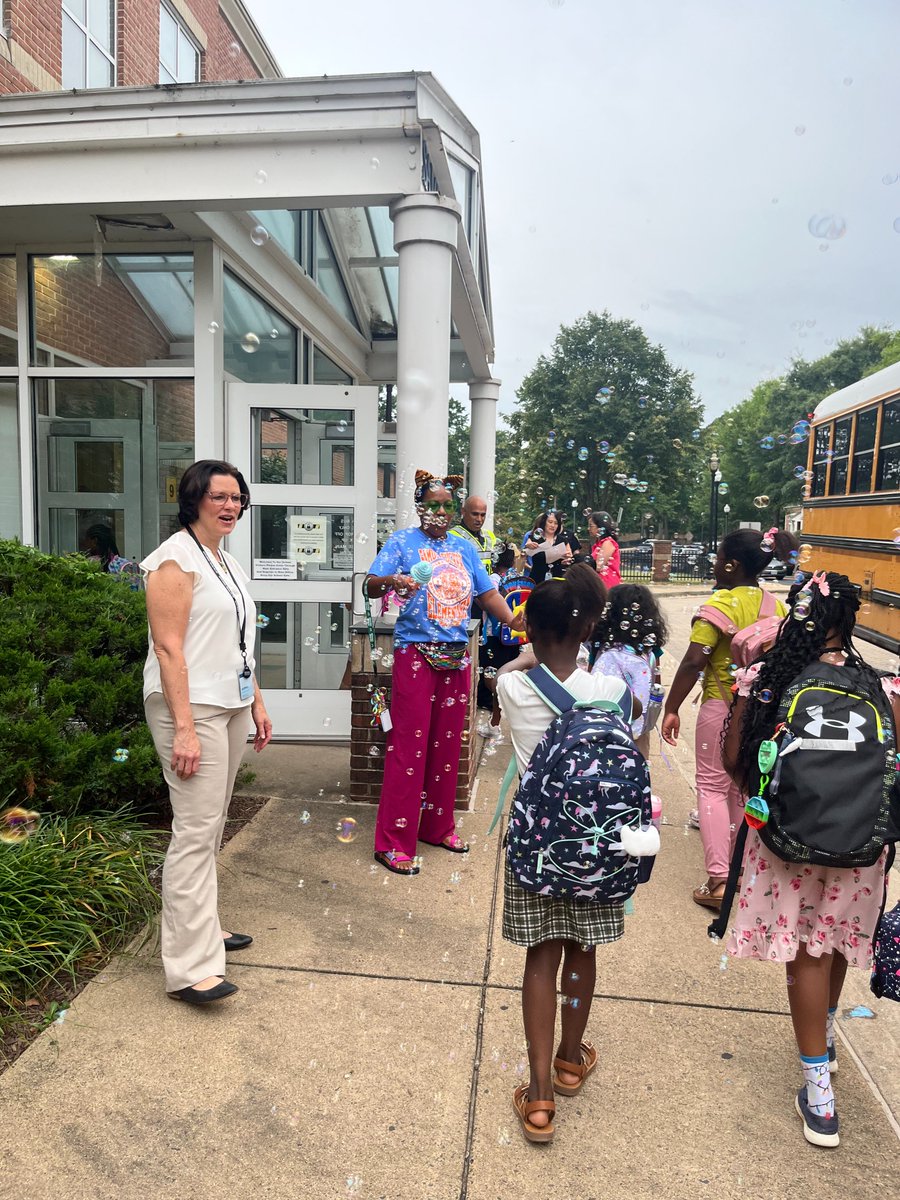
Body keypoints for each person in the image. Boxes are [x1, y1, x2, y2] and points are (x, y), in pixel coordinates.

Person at [722, 571, 899, 1148]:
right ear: (849, 623)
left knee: (805, 954)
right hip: (862, 846)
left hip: (790, 842)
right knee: (834, 940)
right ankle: (822, 1037)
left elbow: (733, 764)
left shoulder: (774, 680)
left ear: (799, 619)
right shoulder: (885, 689)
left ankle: (819, 1098)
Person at [493, 564, 638, 1144]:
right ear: (588, 630)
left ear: (531, 629)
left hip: (537, 845)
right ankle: (572, 1061)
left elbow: (512, 670)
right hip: (598, 846)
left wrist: (525, 654)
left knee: (540, 957)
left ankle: (539, 1098)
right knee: (583, 949)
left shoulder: (512, 687)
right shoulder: (615, 693)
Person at [141, 460, 272, 1005]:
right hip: (188, 707)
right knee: (195, 831)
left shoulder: (226, 560)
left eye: (237, 497)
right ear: (193, 499)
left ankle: (204, 926)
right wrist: (185, 732)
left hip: (231, 702)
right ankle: (189, 968)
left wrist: (258, 701)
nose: (230, 505)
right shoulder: (174, 560)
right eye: (219, 496)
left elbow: (240, 643)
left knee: (210, 825)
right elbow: (169, 649)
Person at [364, 471, 524, 876]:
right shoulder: (402, 542)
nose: (439, 511)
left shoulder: (463, 547)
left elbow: (487, 593)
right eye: (431, 504)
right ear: (419, 506)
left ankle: (437, 826)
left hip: (456, 655)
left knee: (448, 745)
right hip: (414, 652)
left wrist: (516, 622)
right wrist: (392, 580)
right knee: (408, 748)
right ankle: (393, 841)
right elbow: (369, 585)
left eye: (445, 505)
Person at [661, 527, 798, 910]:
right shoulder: (779, 607)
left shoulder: (721, 603)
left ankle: (719, 879)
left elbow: (693, 660)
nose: (715, 563)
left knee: (710, 786)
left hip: (721, 706)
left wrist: (672, 707)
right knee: (741, 787)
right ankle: (740, 873)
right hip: (759, 713)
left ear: (731, 564)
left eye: (719, 557)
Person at [590, 583, 667, 759]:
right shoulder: (651, 648)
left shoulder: (601, 645)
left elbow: (591, 676)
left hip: (602, 723)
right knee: (637, 766)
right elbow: (655, 685)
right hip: (637, 726)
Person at [524, 510, 580, 584]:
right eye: (550, 522)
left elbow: (569, 556)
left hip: (556, 579)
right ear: (544, 523)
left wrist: (567, 559)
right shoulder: (535, 538)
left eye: (556, 523)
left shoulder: (563, 541)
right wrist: (529, 546)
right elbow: (525, 551)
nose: (553, 525)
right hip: (536, 578)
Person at [83, 523, 141, 589]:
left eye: (87, 539)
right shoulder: (123, 564)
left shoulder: (90, 563)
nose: (85, 543)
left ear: (94, 541)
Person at [450, 494, 496, 575]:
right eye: (475, 514)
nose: (479, 519)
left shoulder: (490, 536)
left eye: (483, 515)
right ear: (463, 511)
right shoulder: (451, 536)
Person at [587, 511, 620, 589]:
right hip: (599, 582)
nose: (588, 529)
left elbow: (598, 566)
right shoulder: (599, 544)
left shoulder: (608, 542)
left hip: (607, 583)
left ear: (600, 527)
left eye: (591, 526)